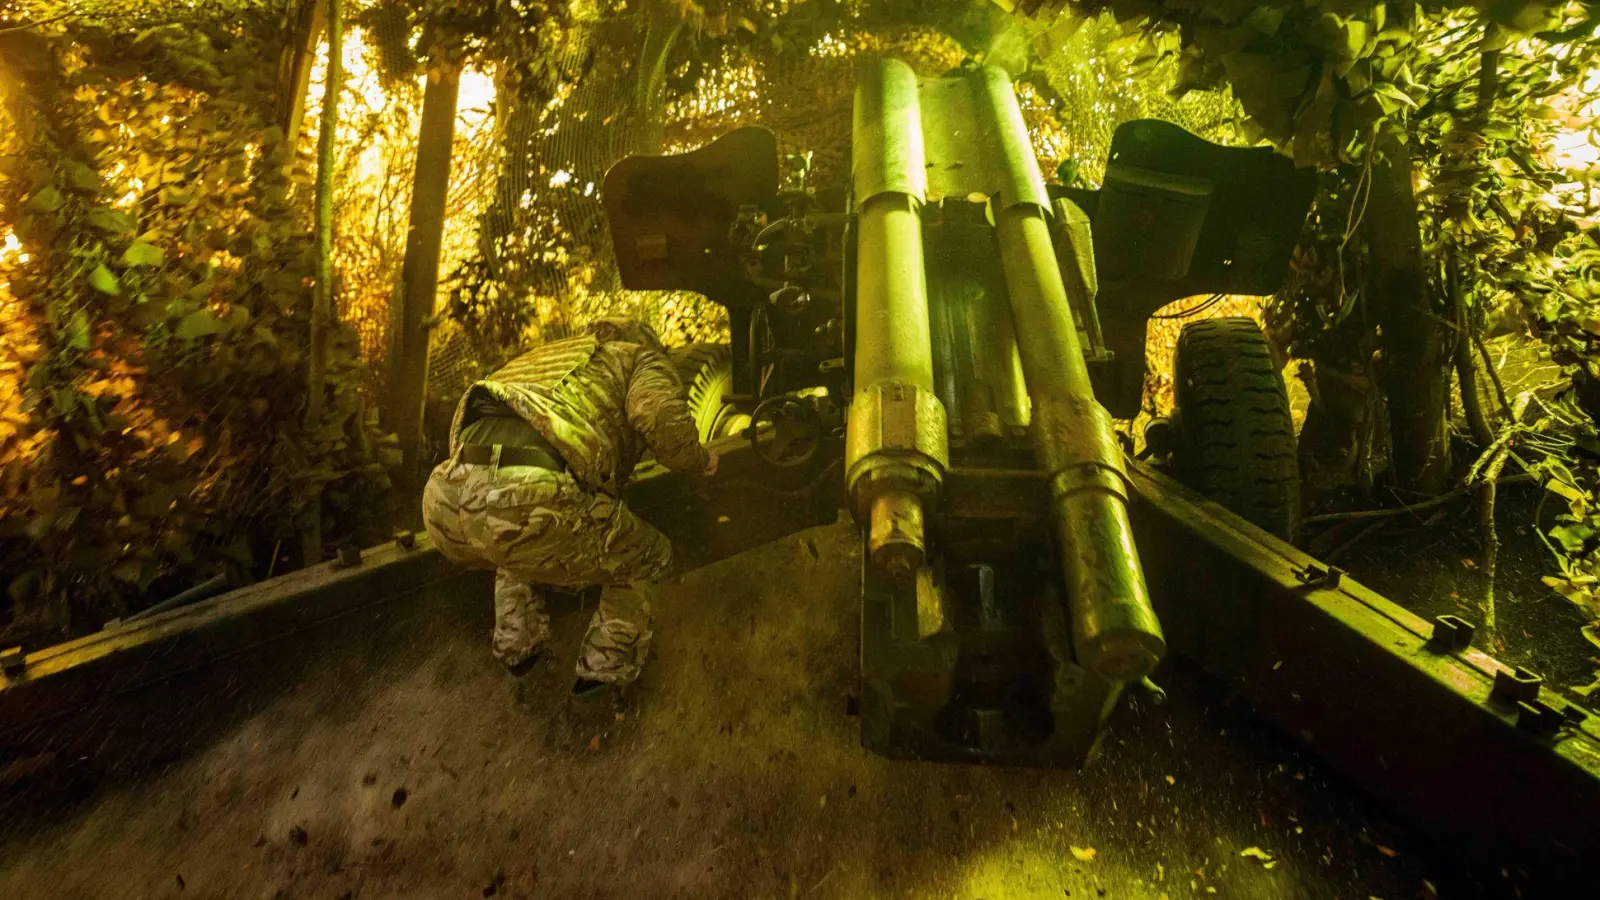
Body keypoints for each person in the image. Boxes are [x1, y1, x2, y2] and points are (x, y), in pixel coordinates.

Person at [421, 317, 717, 700]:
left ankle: (519, 655)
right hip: (528, 492)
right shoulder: (639, 357)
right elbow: (657, 416)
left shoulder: (544, 358)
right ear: (643, 342)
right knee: (649, 556)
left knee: (512, 543)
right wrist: (700, 460)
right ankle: (602, 677)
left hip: (445, 496)